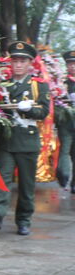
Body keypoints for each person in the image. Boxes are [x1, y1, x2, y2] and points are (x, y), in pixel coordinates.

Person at [0, 40, 48, 236]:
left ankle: (23, 220)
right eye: (15, 61)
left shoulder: (38, 86)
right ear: (10, 63)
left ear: (30, 63)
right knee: (2, 178)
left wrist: (30, 109)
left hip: (27, 141)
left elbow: (44, 111)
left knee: (26, 185)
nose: (18, 65)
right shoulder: (1, 86)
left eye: (23, 61)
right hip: (6, 140)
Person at [57, 50, 75, 193]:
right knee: (65, 149)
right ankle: (63, 175)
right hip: (66, 123)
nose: (73, 66)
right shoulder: (61, 82)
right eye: (70, 63)